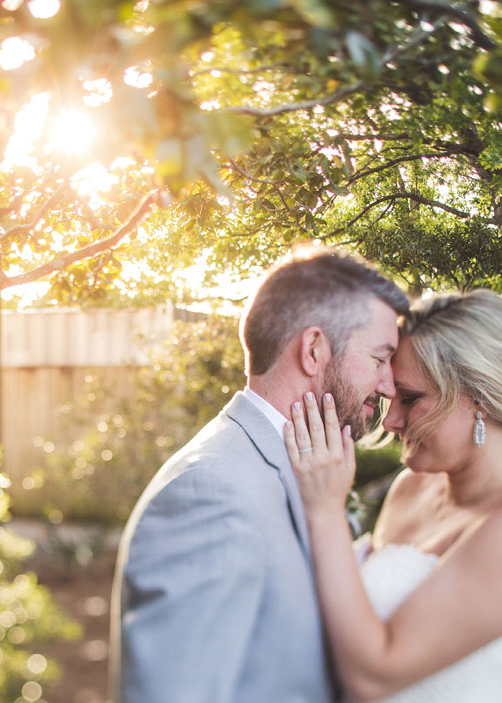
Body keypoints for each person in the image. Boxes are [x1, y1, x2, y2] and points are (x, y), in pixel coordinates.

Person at [109, 247, 410, 703]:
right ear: (313, 350)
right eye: (380, 358)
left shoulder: (301, 469)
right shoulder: (210, 491)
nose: (389, 385)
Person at [285, 289, 502, 703]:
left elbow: (373, 678)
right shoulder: (411, 489)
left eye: (410, 398)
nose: (390, 420)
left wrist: (325, 513)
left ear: (481, 397)